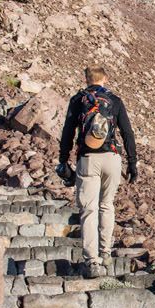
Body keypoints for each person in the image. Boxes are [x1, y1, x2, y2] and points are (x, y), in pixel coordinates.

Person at [57, 66, 138, 278]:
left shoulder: (78, 100)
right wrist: (133, 163)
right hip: (112, 158)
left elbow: (68, 131)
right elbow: (128, 133)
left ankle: (92, 261)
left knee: (89, 209)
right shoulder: (115, 100)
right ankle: (106, 252)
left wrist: (63, 161)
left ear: (86, 79)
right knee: (107, 204)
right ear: (105, 78)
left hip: (88, 158)